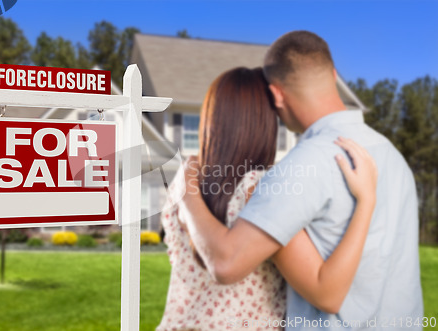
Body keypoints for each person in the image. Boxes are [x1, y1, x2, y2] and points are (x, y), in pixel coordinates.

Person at [177, 31, 423, 331]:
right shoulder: (391, 156)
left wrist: (186, 193)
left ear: (277, 95)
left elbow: (227, 264)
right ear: (333, 74)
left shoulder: (302, 165)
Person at [157, 67, 378, 331]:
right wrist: (366, 201)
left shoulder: (184, 183)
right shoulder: (261, 189)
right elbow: (327, 294)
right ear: (265, 123)